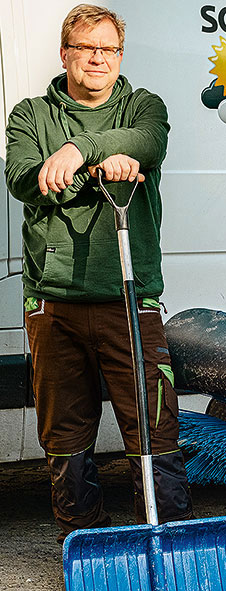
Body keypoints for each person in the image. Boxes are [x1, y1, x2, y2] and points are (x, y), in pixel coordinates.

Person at [4, 4, 193, 557]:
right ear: (65, 54)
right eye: (86, 48)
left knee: (153, 430)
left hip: (129, 302)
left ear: (119, 56)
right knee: (65, 439)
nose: (97, 59)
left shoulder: (144, 106)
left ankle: (170, 553)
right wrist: (92, 163)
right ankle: (89, 555)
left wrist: (80, 151)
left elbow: (147, 143)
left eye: (108, 49)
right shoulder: (31, 115)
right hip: (54, 306)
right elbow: (21, 178)